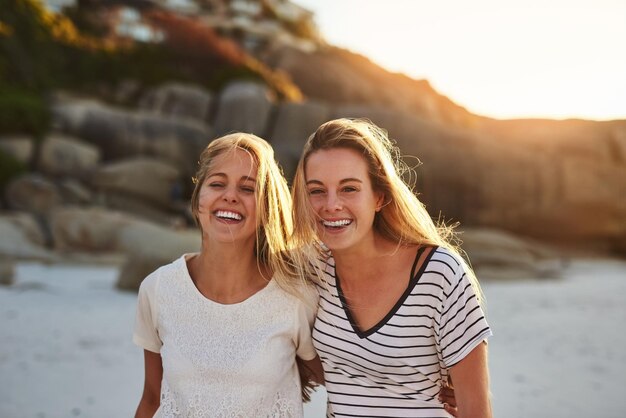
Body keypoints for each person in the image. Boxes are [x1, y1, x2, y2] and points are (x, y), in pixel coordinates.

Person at [291, 118, 492, 418]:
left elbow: (477, 411)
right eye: (317, 191)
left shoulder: (439, 273)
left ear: (379, 197)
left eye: (349, 189)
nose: (331, 205)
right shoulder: (310, 268)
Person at [133, 133, 323, 417]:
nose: (230, 196)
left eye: (248, 188)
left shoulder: (296, 297)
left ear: (266, 208)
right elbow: (151, 398)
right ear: (199, 201)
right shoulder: (158, 289)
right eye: (217, 184)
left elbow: (345, 384)